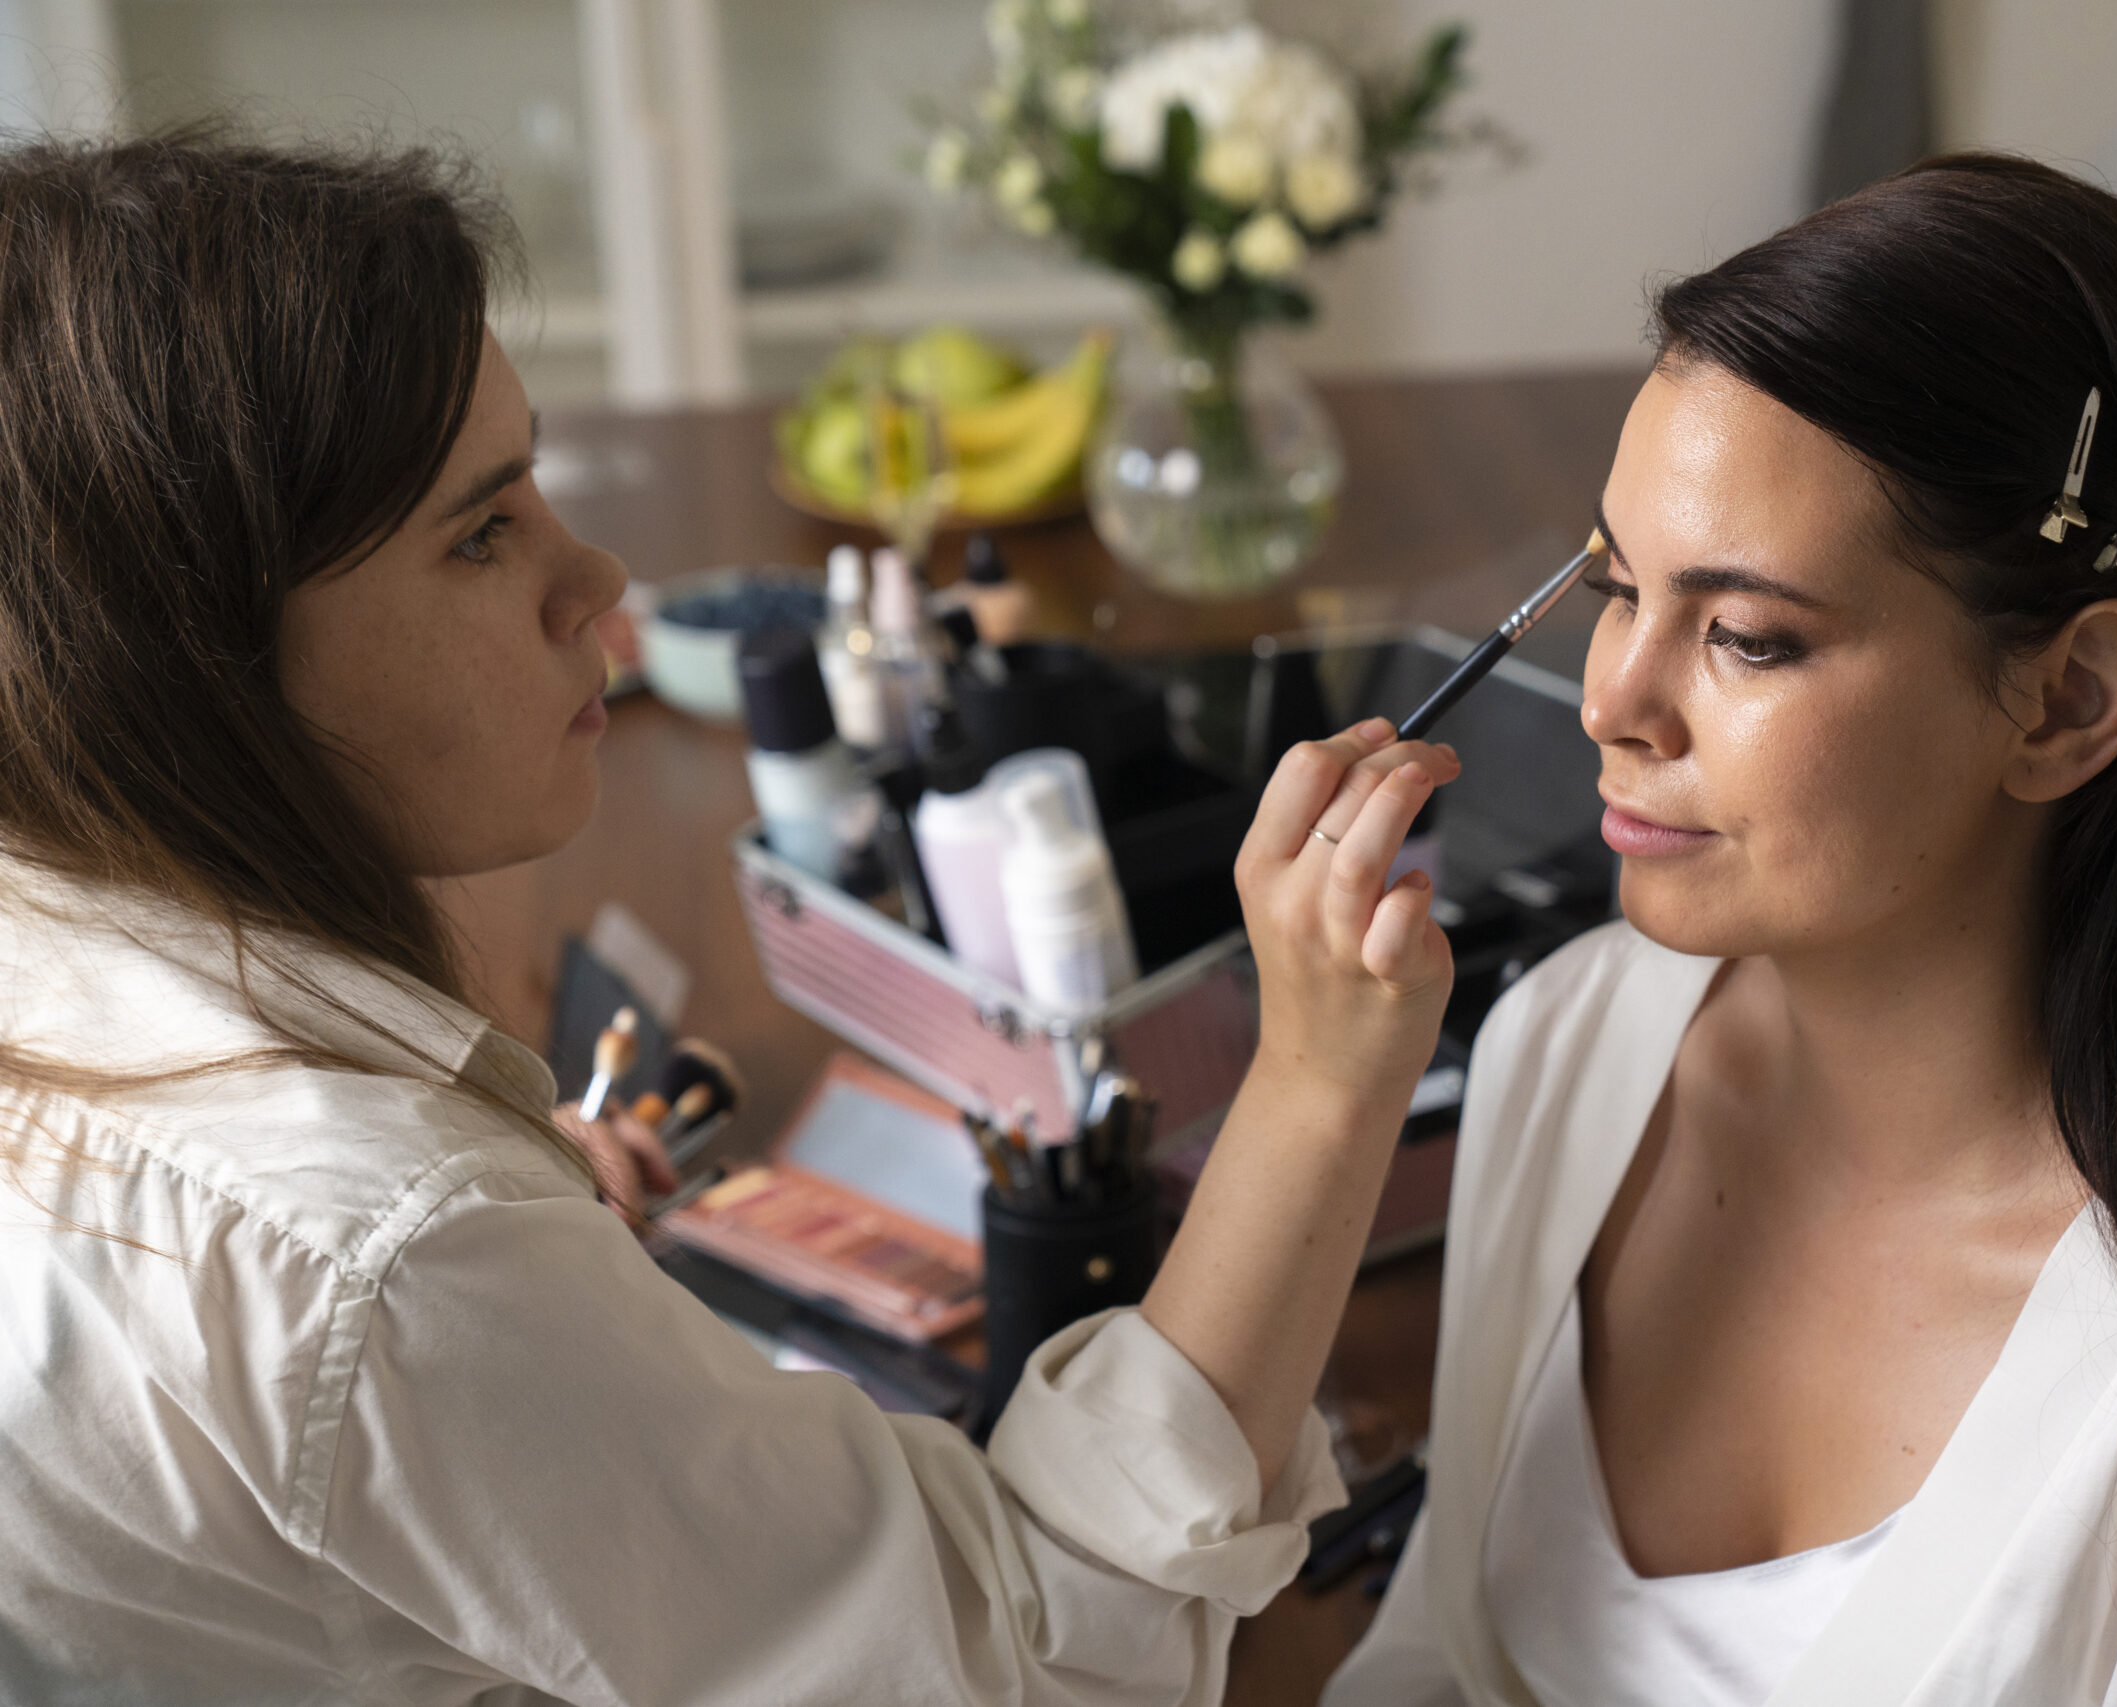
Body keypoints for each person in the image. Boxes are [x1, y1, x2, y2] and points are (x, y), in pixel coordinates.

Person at [0, 136, 1463, 1703]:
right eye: (482, 533)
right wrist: (1316, 1077)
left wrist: (491, 1288)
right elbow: (1030, 1646)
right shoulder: (387, 1257)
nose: (595, 575)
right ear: (194, 670)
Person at [1324, 154, 2117, 1706]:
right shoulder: (1569, 1043)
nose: (1613, 703)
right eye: (1617, 588)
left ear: (2070, 701)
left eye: (1749, 637)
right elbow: (1434, 1658)